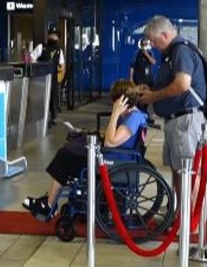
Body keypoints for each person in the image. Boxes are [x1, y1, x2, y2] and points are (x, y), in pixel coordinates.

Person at [23, 79, 148, 216]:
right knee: (69, 150)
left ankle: (50, 204)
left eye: (114, 102)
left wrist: (115, 113)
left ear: (121, 102)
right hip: (112, 157)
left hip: (112, 162)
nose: (113, 104)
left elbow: (110, 142)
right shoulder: (132, 116)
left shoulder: (133, 118)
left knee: (64, 156)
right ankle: (50, 199)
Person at [138, 15, 206, 197]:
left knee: (188, 171)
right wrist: (152, 89)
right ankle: (179, 214)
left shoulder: (181, 51)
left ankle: (189, 220)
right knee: (178, 169)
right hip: (176, 121)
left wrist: (153, 96)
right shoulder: (171, 53)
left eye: (153, 40)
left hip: (185, 121)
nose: (152, 45)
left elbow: (182, 84)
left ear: (165, 35)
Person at [31, 28, 66, 128]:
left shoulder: (59, 50)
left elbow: (62, 64)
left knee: (52, 98)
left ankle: (51, 118)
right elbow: (32, 58)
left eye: (55, 36)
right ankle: (41, 119)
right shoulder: (41, 47)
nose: (53, 37)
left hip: (53, 78)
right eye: (52, 35)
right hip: (41, 78)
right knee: (41, 98)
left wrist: (60, 77)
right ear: (48, 36)